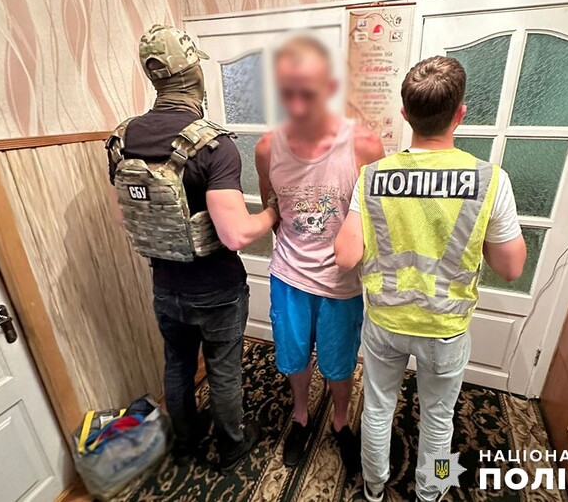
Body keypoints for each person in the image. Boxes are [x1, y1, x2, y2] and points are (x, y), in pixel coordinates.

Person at [335, 56, 527, 501]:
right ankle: (432, 489)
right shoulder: (490, 181)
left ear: (405, 115)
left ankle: (374, 488)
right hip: (444, 327)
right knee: (440, 420)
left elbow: (345, 256)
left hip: (385, 322)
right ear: (460, 113)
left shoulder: (372, 177)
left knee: (378, 409)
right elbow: (512, 267)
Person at [106, 25, 277, 472]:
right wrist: (271, 213)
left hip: (165, 283)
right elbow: (235, 234)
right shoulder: (212, 144)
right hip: (217, 288)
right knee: (223, 368)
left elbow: (129, 215)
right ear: (193, 74)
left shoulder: (123, 139)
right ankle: (232, 446)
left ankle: (185, 446)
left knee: (178, 364)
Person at [255, 35, 385, 471]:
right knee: (293, 357)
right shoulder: (267, 148)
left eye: (307, 92)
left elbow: (376, 218)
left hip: (341, 282)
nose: (296, 104)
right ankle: (301, 415)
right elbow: (272, 204)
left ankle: (340, 421)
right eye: (287, 92)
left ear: (329, 88)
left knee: (339, 362)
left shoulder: (364, 146)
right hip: (288, 276)